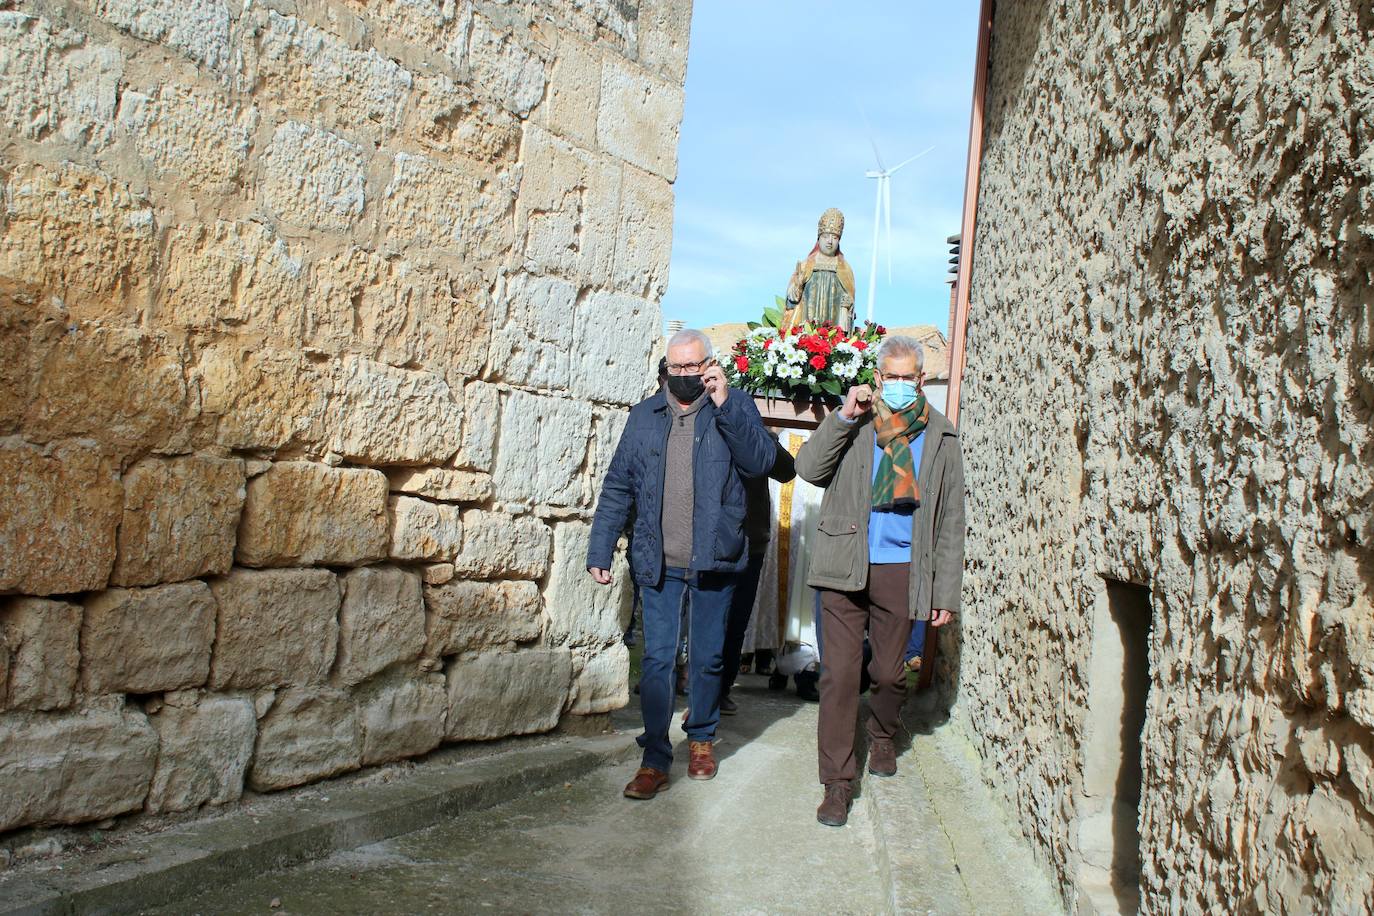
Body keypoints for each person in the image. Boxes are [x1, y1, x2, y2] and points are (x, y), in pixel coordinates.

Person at [588, 328, 776, 799]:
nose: (689, 375)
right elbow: (617, 485)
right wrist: (600, 546)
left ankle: (701, 741)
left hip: (715, 557)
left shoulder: (735, 406)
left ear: (710, 365)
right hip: (659, 558)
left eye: (697, 366)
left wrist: (725, 402)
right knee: (657, 661)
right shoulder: (643, 417)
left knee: (710, 659)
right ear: (667, 369)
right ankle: (654, 758)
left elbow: (758, 464)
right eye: (680, 368)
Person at [795, 335, 966, 827]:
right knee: (839, 675)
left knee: (890, 674)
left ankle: (884, 732)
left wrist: (943, 590)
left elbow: (950, 519)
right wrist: (843, 416)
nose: (896, 385)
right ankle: (837, 783)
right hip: (843, 560)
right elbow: (808, 468)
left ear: (920, 380)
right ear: (877, 379)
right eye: (888, 377)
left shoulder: (941, 437)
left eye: (906, 377)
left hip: (903, 565)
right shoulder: (855, 423)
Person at [718, 433, 796, 715]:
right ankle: (702, 686)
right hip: (713, 539)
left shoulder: (757, 434)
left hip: (752, 540)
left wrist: (763, 437)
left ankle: (722, 688)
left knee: (737, 619)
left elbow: (787, 469)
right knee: (711, 618)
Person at [784, 208, 857, 332]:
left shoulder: (845, 268)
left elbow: (851, 303)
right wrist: (797, 287)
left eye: (834, 237)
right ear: (819, 238)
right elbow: (791, 301)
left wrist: (849, 304)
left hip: (834, 330)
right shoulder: (805, 265)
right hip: (807, 327)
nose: (829, 241)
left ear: (839, 240)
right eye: (826, 236)